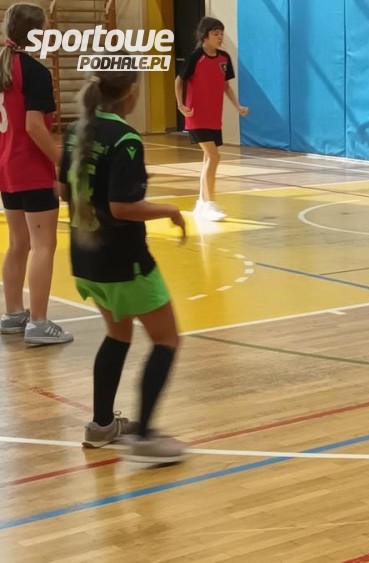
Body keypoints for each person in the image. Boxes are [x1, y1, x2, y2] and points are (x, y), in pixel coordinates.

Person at [62, 70, 186, 464]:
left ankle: (101, 425)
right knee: (167, 340)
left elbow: (65, 190)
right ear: (131, 92)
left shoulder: (76, 130)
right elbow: (122, 207)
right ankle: (145, 438)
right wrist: (170, 210)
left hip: (85, 257)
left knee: (118, 334)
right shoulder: (126, 138)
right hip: (123, 261)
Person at [0, 2, 72, 345]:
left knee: (19, 243)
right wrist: (62, 163)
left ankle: (14, 314)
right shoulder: (35, 72)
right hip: (30, 167)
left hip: (6, 167)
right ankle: (39, 323)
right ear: (35, 34)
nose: (50, 32)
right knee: (44, 245)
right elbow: (34, 126)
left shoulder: (4, 66)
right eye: (46, 27)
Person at [174, 16, 248, 222]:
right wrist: (180, 105)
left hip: (214, 117)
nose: (220, 37)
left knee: (208, 159)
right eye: (216, 33)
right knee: (214, 157)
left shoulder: (224, 58)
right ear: (205, 36)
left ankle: (201, 203)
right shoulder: (196, 56)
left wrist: (237, 106)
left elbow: (225, 86)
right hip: (196, 116)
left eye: (222, 33)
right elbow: (179, 81)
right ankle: (210, 204)